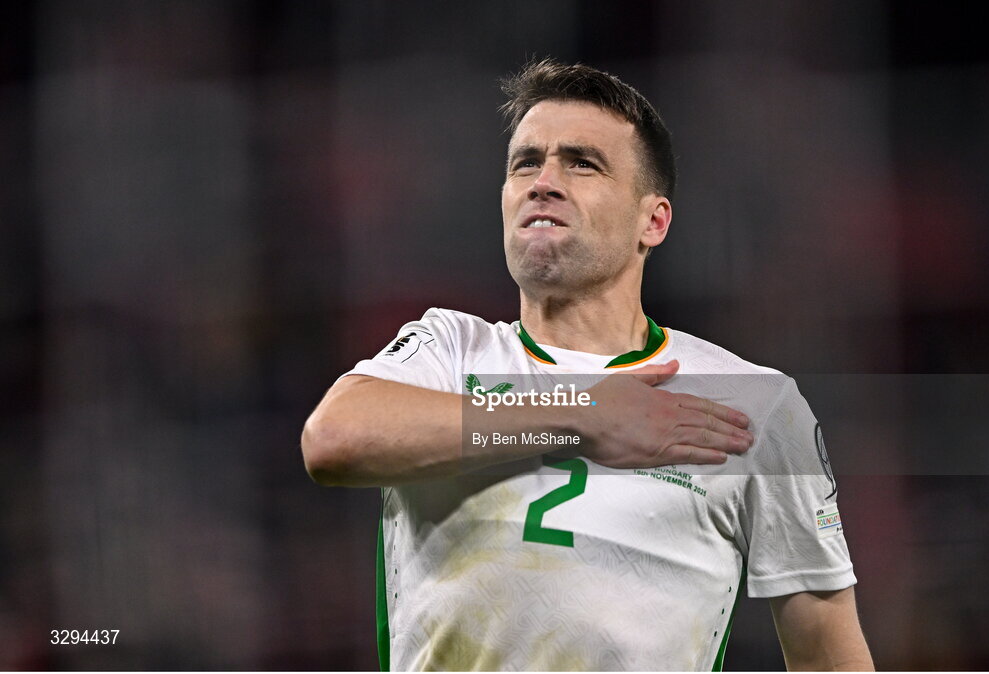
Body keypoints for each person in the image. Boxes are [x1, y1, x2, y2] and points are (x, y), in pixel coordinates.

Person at [302, 59, 873, 671]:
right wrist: (582, 413)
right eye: (526, 163)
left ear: (652, 220)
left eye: (582, 163)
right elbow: (333, 441)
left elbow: (829, 655)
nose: (543, 182)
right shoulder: (449, 350)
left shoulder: (756, 405)